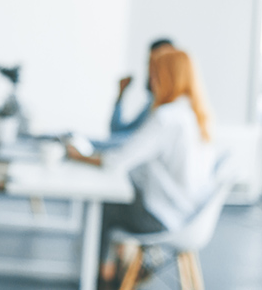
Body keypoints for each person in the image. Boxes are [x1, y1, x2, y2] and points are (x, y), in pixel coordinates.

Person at [65, 48, 215, 287]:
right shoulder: (192, 115)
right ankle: (111, 270)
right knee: (115, 203)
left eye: (154, 75)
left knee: (103, 207)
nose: (151, 82)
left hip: (162, 217)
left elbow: (116, 160)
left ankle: (104, 279)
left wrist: (78, 156)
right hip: (188, 215)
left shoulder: (166, 118)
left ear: (168, 78)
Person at [94, 38, 175, 150]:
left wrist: (85, 143)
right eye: (150, 64)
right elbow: (118, 132)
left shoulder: (167, 111)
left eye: (156, 66)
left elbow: (130, 144)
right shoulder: (152, 103)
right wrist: (121, 94)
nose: (150, 72)